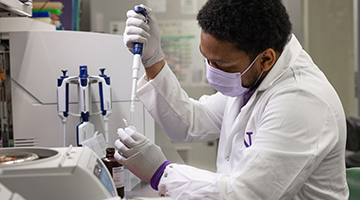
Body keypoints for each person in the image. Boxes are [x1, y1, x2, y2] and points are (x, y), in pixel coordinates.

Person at [114, 0, 350, 199]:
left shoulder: (301, 101)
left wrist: (161, 173)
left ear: (266, 59)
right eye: (206, 58)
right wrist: (153, 59)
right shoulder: (252, 77)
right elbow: (192, 122)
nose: (211, 70)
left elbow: (246, 194)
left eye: (221, 64)